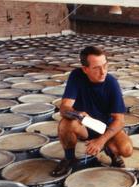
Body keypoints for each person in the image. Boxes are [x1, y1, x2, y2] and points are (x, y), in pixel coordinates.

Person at [52, 46, 132, 175]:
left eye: (105, 66)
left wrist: (101, 141)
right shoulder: (76, 76)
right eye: (96, 68)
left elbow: (120, 120)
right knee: (65, 123)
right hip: (85, 125)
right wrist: (77, 114)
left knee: (126, 150)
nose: (103, 72)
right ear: (85, 69)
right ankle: (69, 158)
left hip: (105, 127)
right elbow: (64, 108)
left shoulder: (111, 83)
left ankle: (111, 151)